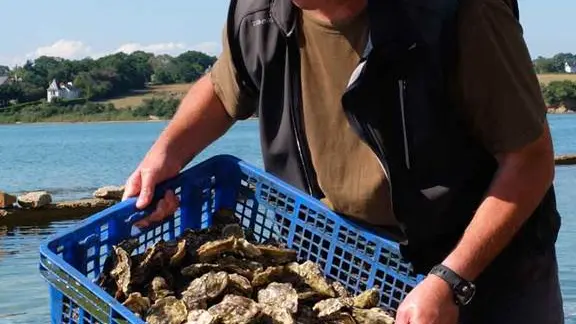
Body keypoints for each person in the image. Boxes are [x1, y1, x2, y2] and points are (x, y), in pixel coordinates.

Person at [122, 0, 564, 323]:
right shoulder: (260, 14)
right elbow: (226, 85)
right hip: (346, 259)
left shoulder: (461, 12)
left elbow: (529, 159)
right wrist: (166, 155)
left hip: (485, 267)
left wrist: (452, 278)